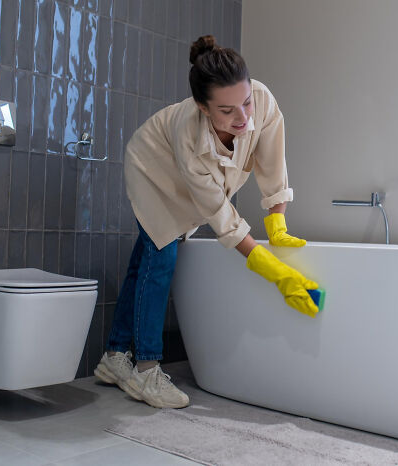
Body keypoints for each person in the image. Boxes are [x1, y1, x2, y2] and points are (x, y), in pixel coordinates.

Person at [93, 35, 319, 409]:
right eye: (227, 111)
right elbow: (221, 216)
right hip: (154, 168)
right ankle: (145, 369)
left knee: (146, 260)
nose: (243, 117)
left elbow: (272, 157)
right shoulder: (188, 133)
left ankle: (115, 357)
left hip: (187, 178)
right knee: (160, 254)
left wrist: (276, 217)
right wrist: (276, 273)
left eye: (245, 102)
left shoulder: (260, 100)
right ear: (202, 107)